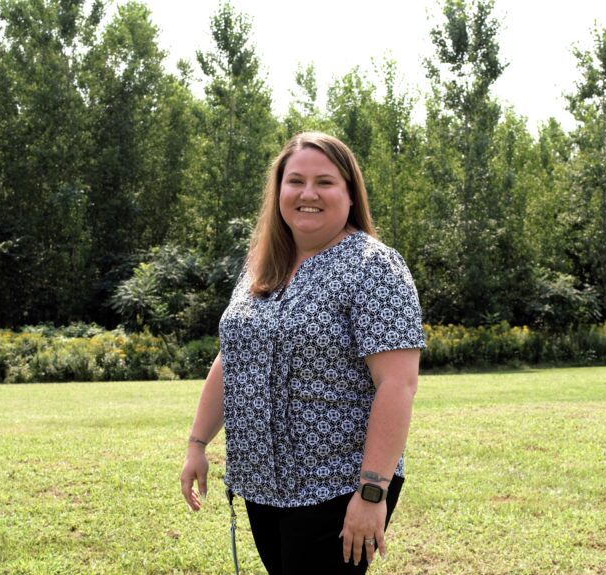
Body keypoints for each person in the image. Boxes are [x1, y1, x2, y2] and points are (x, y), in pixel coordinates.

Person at [180, 132, 425, 574]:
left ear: (350, 195)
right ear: (278, 193)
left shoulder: (374, 268)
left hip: (336, 486)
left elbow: (398, 384)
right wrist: (198, 444)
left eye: (325, 182)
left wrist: (372, 494)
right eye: (295, 181)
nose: (308, 193)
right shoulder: (262, 267)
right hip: (263, 486)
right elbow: (233, 357)